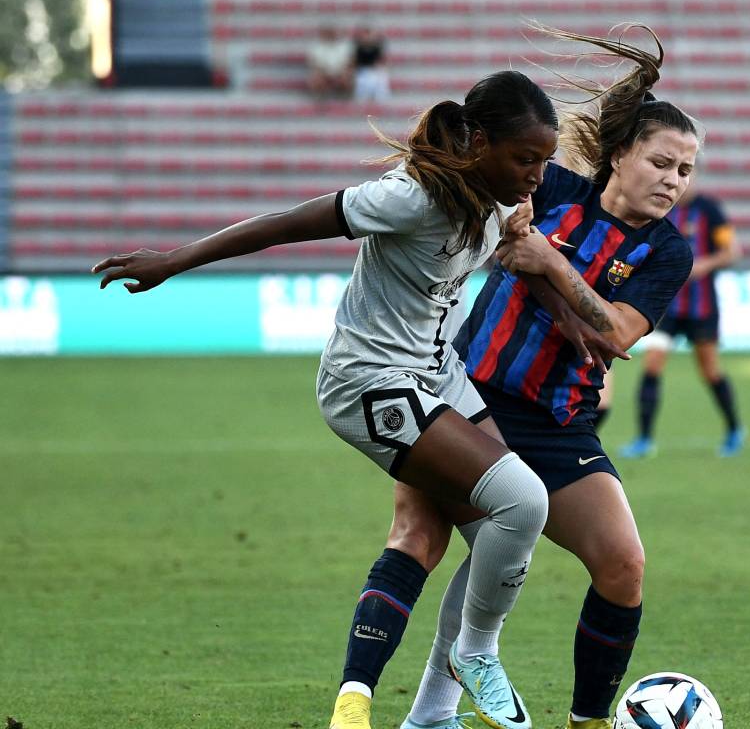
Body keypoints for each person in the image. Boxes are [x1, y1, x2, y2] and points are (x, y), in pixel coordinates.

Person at [91, 71, 569, 729]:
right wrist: (174, 261)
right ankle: (475, 654)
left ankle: (432, 712)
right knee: (525, 499)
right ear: (480, 142)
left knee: (498, 529)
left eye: (546, 162)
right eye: (527, 159)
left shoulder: (503, 200)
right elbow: (287, 223)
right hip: (369, 380)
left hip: (436, 373)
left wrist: (574, 318)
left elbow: (522, 253)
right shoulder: (411, 198)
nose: (538, 177)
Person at [396, 24, 699, 729]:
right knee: (439, 546)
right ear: (619, 156)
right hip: (471, 396)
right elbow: (469, 177)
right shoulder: (551, 187)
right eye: (661, 163)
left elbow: (616, 334)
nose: (673, 181)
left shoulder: (667, 252)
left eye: (686, 171)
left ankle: (587, 720)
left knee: (623, 565)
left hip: (561, 421)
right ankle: (406, 708)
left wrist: (550, 261)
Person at [619, 179, 745, 459]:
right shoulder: (662, 209)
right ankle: (644, 438)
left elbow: (732, 252)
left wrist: (704, 264)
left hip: (702, 308)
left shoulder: (710, 210)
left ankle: (734, 429)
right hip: (668, 308)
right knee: (652, 365)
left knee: (710, 370)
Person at [307, 25, 353, 100]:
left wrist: (342, 71)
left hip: (340, 72)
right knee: (316, 79)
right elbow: (314, 63)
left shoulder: (344, 46)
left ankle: (344, 97)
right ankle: (320, 98)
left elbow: (349, 62)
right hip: (323, 72)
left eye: (333, 33)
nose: (331, 35)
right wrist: (325, 72)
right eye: (329, 33)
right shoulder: (317, 46)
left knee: (347, 77)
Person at [353, 25, 390, 102]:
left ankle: (381, 100)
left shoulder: (377, 47)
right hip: (361, 71)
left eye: (369, 35)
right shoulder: (358, 47)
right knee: (363, 82)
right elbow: (355, 62)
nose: (367, 37)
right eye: (365, 35)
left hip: (374, 71)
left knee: (380, 78)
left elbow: (381, 61)